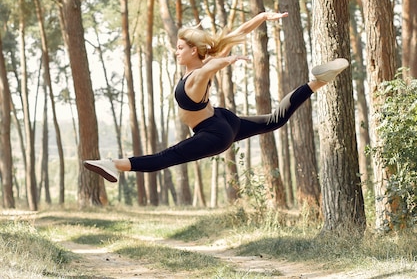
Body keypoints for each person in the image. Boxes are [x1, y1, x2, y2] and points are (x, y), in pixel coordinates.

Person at [84, 11, 349, 183]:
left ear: (192, 51)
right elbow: (236, 35)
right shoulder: (201, 66)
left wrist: (228, 60)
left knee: (167, 157)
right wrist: (262, 17)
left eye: (180, 48)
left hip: (214, 133)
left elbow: (210, 67)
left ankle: (112, 164)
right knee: (274, 120)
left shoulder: (197, 77)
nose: (176, 52)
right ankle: (316, 82)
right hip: (223, 120)